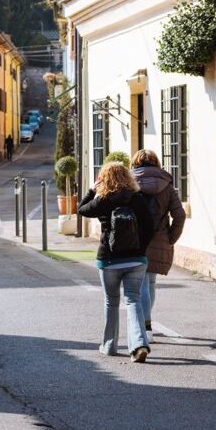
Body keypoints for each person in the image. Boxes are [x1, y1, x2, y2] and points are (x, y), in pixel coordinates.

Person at [77, 162, 155, 363]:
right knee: (133, 300)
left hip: (109, 259)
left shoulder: (103, 200)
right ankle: (138, 344)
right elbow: (150, 226)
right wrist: (141, 250)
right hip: (136, 260)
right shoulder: (137, 199)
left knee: (112, 302)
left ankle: (110, 346)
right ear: (128, 177)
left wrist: (93, 189)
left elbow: (82, 209)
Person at [131, 149, 186, 338]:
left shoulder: (129, 184)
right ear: (156, 163)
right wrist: (170, 238)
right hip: (159, 239)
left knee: (141, 284)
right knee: (150, 281)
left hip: (135, 239)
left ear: (135, 163)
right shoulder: (167, 186)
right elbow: (179, 215)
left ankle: (145, 327)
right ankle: (147, 323)